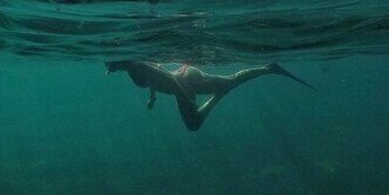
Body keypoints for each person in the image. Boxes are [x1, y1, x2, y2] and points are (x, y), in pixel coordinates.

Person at [105, 61, 314, 131]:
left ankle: (267, 69)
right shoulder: (132, 67)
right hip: (183, 79)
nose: (108, 66)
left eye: (111, 63)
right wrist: (154, 97)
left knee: (193, 123)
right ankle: (268, 68)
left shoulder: (135, 66)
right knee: (229, 82)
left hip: (185, 80)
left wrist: (185, 98)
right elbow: (155, 76)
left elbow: (166, 79)